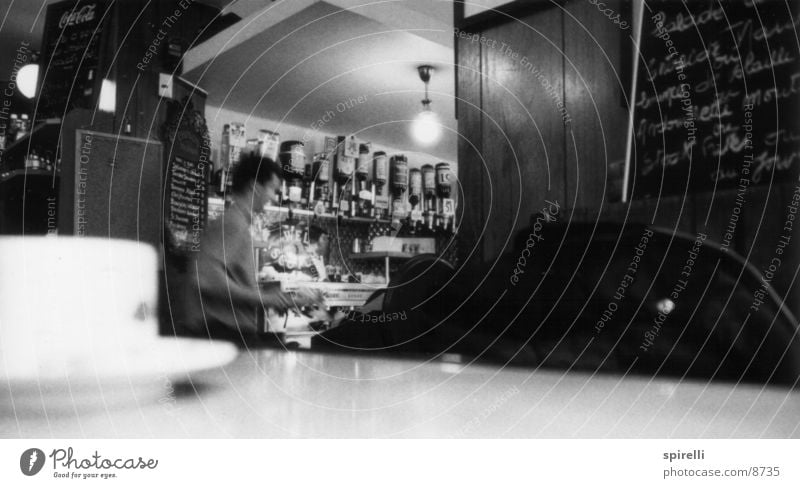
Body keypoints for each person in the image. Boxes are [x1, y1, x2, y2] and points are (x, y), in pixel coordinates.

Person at [181, 154, 323, 343]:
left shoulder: (235, 222)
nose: (274, 197)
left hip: (226, 332)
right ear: (255, 187)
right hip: (223, 333)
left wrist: (272, 299)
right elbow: (205, 278)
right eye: (272, 189)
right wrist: (264, 299)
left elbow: (223, 279)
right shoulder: (232, 223)